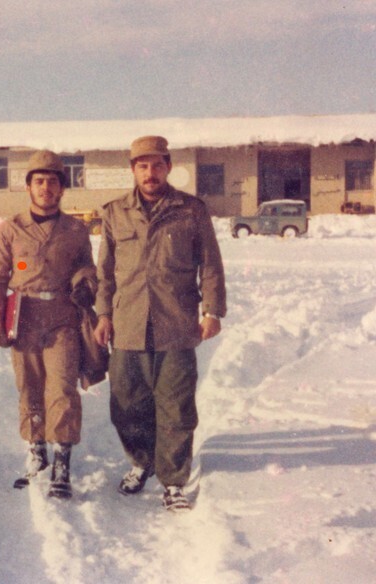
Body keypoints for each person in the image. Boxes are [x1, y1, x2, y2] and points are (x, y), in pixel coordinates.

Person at [93, 135, 226, 512]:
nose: (149, 173)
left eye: (156, 165)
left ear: (168, 167)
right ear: (133, 170)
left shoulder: (191, 210)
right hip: (128, 322)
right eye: (142, 166)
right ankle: (142, 461)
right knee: (126, 403)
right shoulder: (115, 212)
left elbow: (210, 264)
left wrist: (212, 310)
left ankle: (174, 480)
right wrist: (103, 314)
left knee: (176, 406)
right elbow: (105, 272)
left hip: (176, 322)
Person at [0, 150, 97, 499]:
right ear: (28, 187)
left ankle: (62, 460)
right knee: (29, 388)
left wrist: (84, 283)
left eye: (52, 182)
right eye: (39, 181)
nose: (45, 188)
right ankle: (37, 454)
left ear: (62, 188)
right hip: (24, 318)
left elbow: (86, 267)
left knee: (62, 389)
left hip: (62, 318)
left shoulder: (75, 230)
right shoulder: (10, 230)